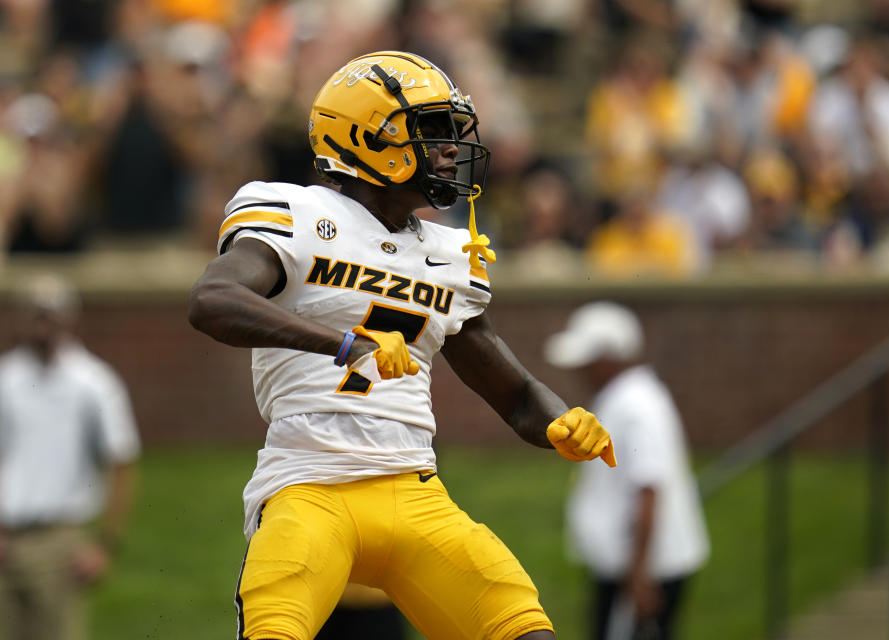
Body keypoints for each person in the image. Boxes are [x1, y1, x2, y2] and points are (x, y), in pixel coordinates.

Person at [187, 50, 617, 640]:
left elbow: (514, 395)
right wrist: (346, 344)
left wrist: (560, 421)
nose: (448, 149)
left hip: (414, 494)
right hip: (308, 487)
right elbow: (212, 302)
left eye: (451, 133)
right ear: (367, 136)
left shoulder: (445, 255)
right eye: (430, 131)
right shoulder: (299, 213)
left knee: (527, 631)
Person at [543, 302, 708, 640]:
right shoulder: (627, 396)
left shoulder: (635, 405)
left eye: (588, 360)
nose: (581, 370)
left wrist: (639, 576)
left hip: (641, 571)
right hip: (631, 567)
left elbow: (649, 487)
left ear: (609, 357)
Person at [0, 274, 141, 640]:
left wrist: (104, 543)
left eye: (49, 314)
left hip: (58, 539)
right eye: (34, 314)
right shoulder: (7, 378)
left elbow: (121, 462)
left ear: (68, 318)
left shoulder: (93, 382)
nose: (41, 324)